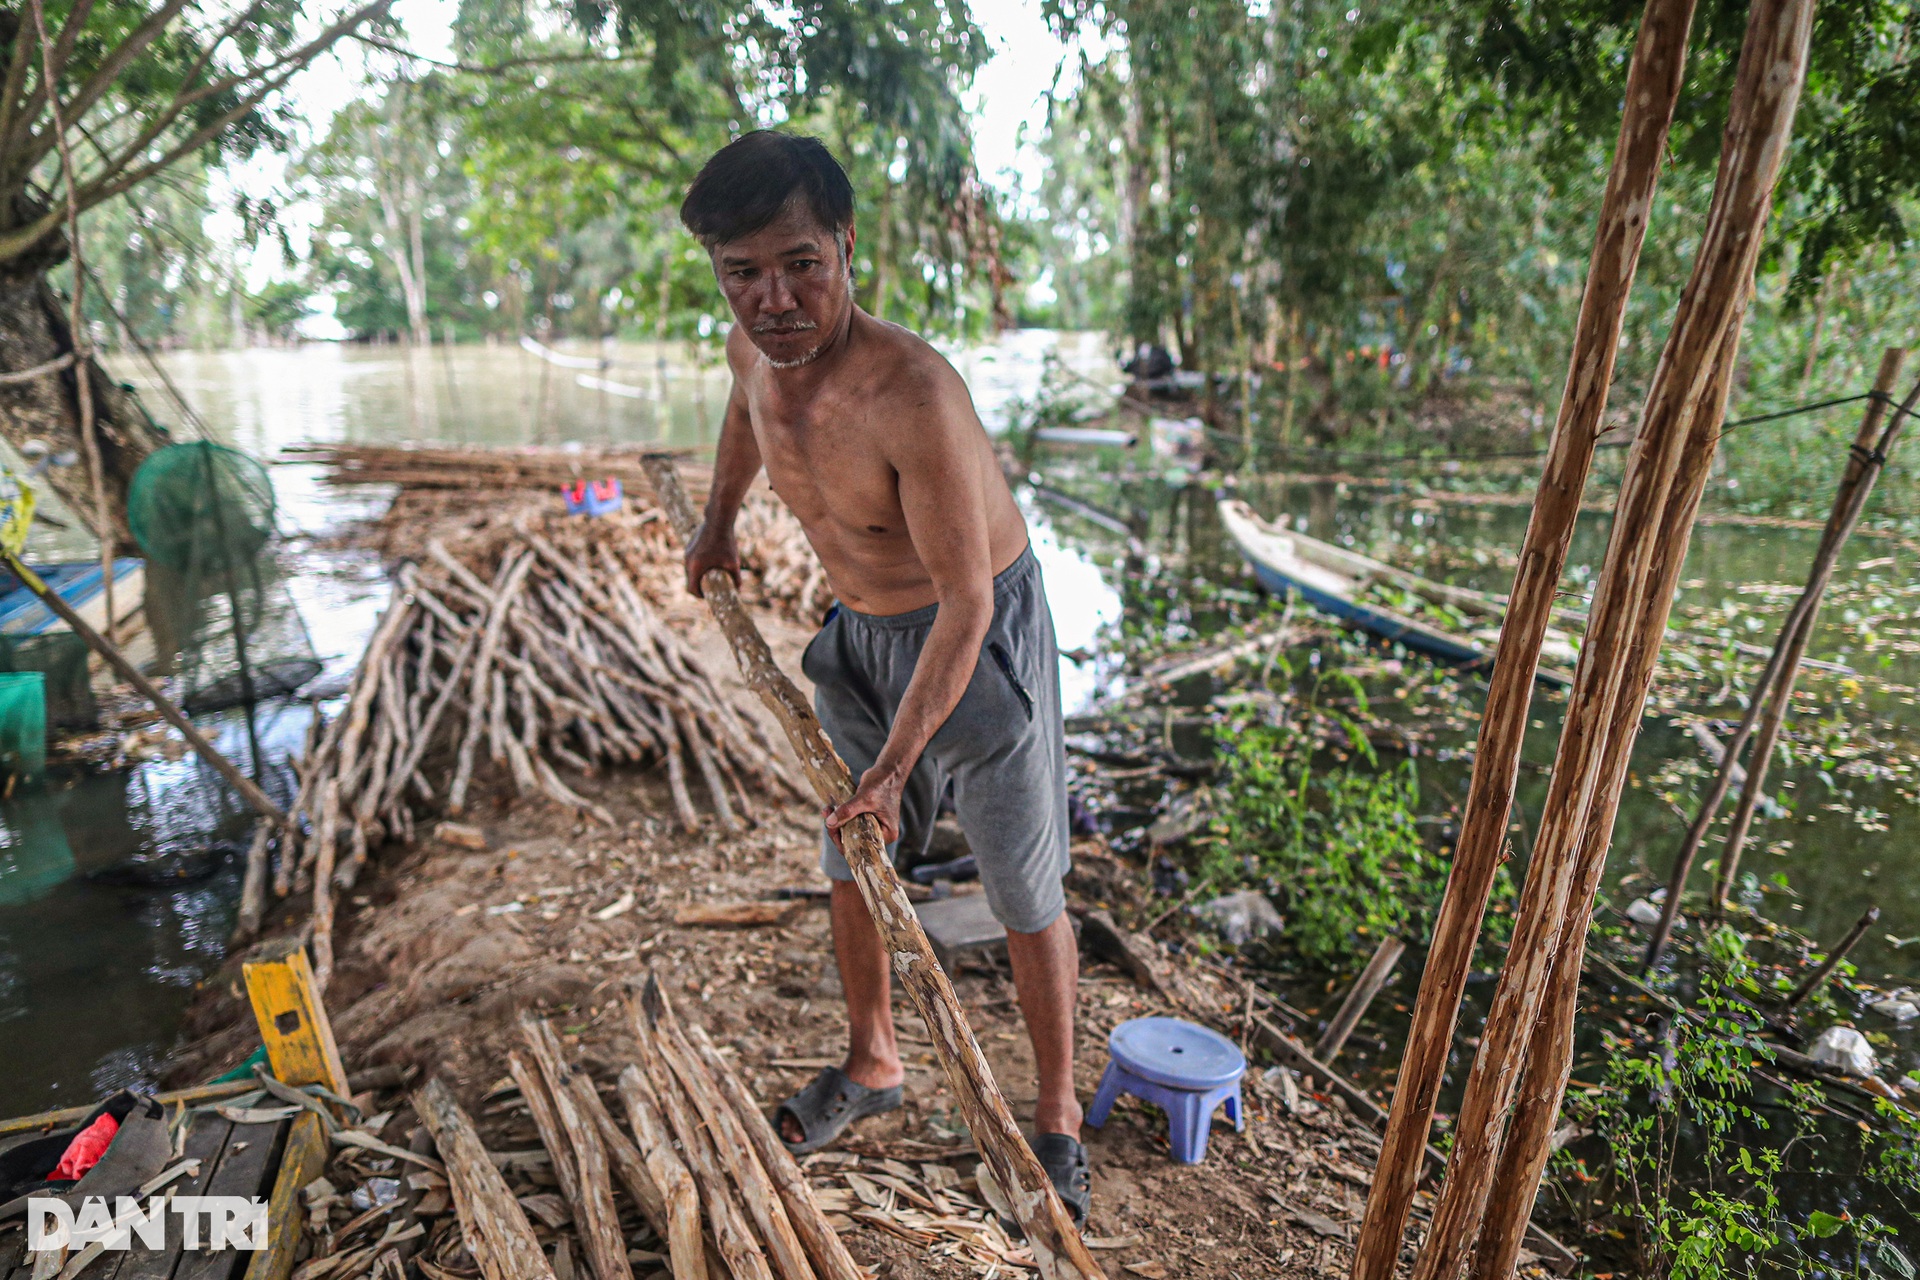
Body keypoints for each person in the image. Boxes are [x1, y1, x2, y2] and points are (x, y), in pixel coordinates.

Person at [676, 130, 1088, 1223]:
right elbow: (741, 420)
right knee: (849, 855)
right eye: (745, 272)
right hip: (858, 634)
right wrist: (715, 522)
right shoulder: (751, 351)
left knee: (1022, 884)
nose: (775, 297)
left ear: (848, 247)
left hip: (974, 634)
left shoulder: (914, 393)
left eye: (801, 262)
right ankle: (874, 1061)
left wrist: (900, 763)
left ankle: (1057, 1118)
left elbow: (969, 602)